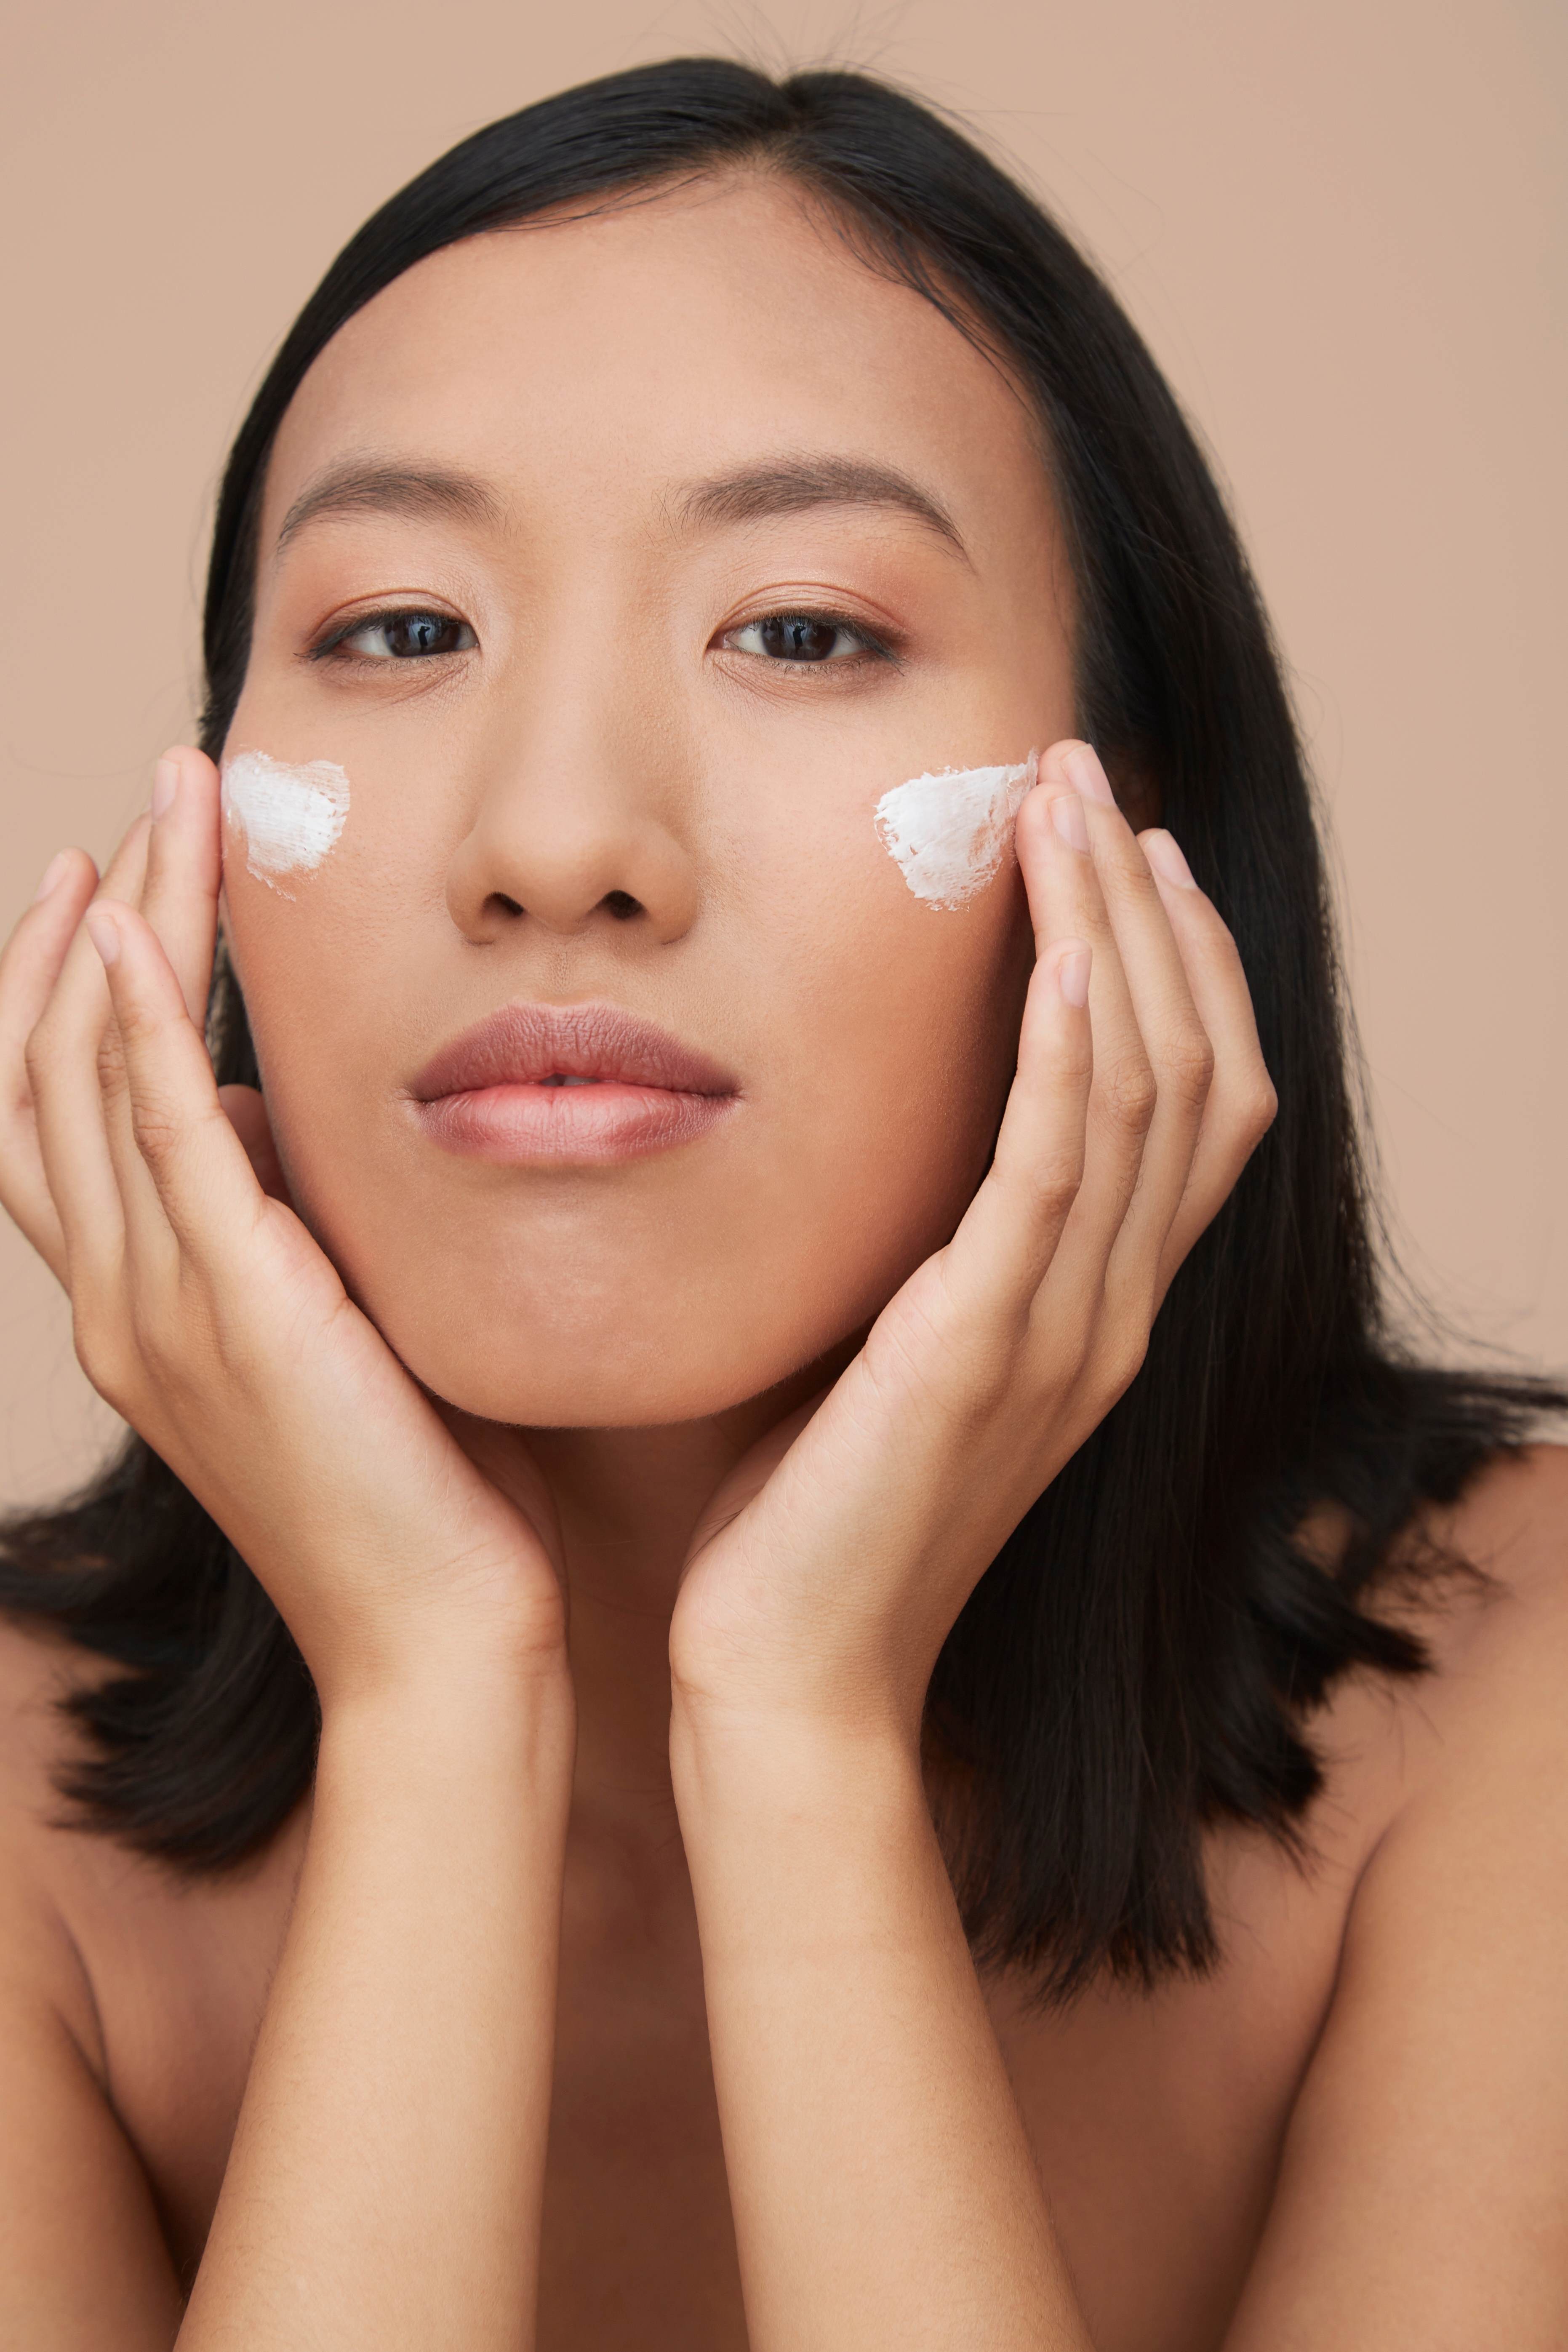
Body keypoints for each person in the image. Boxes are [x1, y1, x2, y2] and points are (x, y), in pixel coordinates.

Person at [0, 55, 1563, 2351]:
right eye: (403, 630)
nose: (557, 841)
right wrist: (431, 1705)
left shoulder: (1519, 1696)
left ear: (1129, 847)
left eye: (804, 629)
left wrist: (803, 1732)